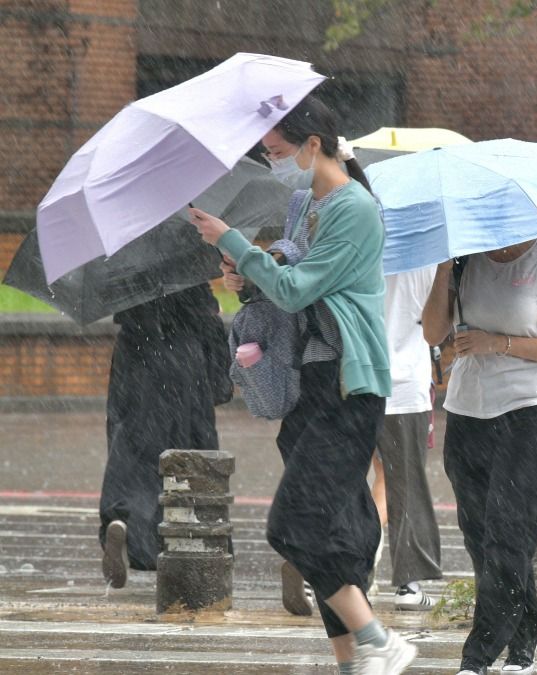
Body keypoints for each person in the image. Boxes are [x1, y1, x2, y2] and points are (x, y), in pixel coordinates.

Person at [190, 95, 416, 674]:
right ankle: (351, 660)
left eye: (277, 151)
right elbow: (287, 281)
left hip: (349, 384)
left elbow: (297, 289)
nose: (273, 161)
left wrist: (233, 242)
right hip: (309, 380)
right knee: (337, 529)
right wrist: (246, 277)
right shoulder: (303, 204)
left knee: (293, 525)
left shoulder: (355, 208)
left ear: (313, 144)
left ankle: (378, 639)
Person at [422, 238, 537, 675]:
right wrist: (442, 270)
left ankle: (478, 654)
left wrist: (498, 343)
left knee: (509, 534)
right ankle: (527, 629)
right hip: (467, 411)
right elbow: (432, 334)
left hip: (528, 410)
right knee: (480, 537)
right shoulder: (462, 263)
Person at [100, 283, 232, 588]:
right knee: (189, 452)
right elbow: (208, 326)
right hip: (183, 360)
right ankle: (186, 540)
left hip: (133, 357)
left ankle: (122, 518)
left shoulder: (127, 273)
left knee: (131, 444)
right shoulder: (187, 273)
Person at [372, 266, 442, 611]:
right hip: (407, 384)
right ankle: (408, 584)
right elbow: (440, 323)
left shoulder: (356, 242)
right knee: (406, 483)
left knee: (348, 480)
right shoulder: (431, 256)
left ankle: (340, 566)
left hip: (357, 376)